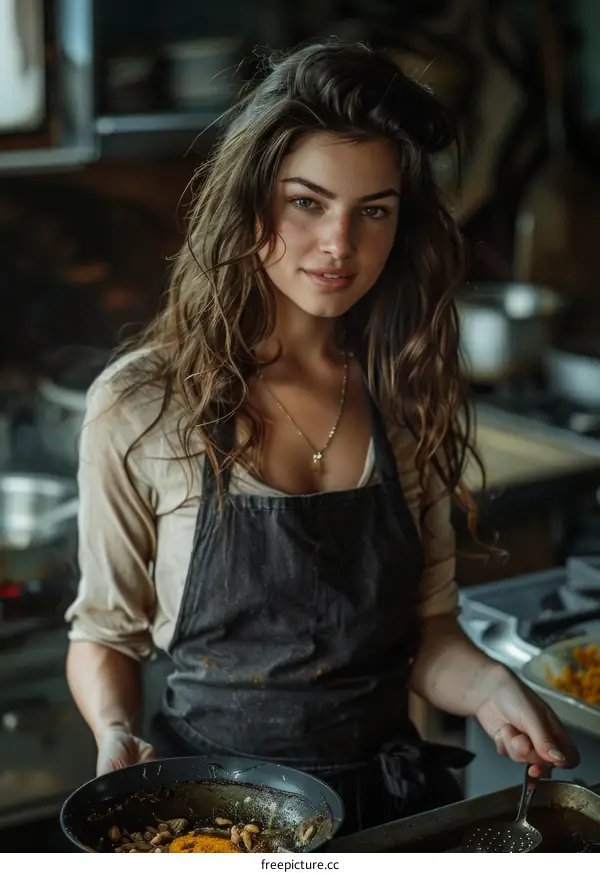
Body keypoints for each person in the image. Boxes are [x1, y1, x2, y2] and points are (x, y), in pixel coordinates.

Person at [65, 41, 579, 836]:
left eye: (373, 210)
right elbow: (104, 631)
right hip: (213, 814)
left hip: (389, 812)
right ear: (250, 202)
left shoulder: (405, 394)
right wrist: (113, 730)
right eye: (307, 202)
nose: (341, 245)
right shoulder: (142, 404)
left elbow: (430, 635)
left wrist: (490, 689)